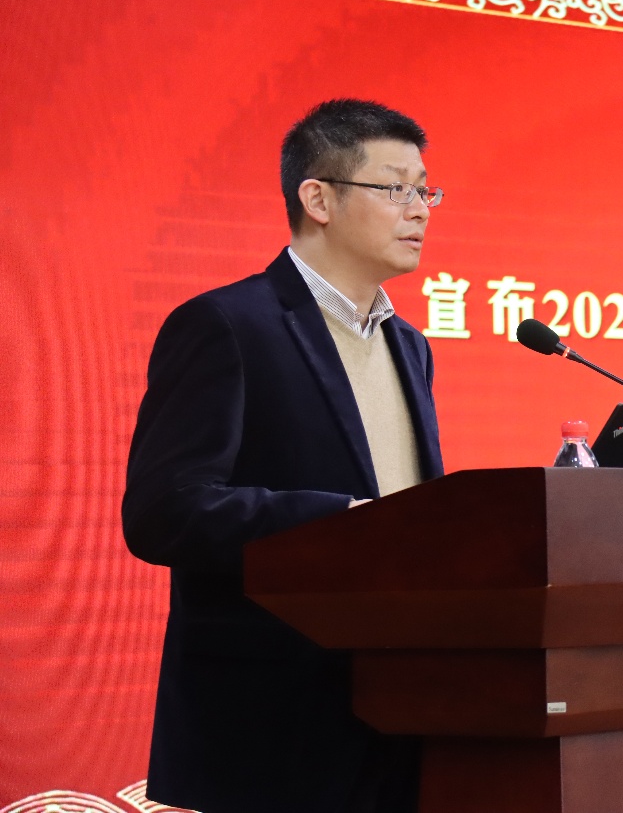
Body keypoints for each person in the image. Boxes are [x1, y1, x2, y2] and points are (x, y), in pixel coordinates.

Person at [122, 99, 445, 813]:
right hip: (273, 722)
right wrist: (341, 522)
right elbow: (163, 511)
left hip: (402, 706)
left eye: (426, 191)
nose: (420, 209)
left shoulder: (410, 347)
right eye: (395, 188)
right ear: (318, 199)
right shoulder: (226, 324)